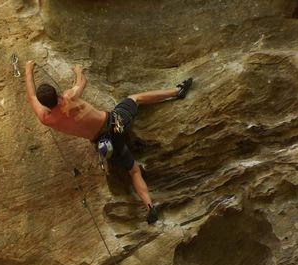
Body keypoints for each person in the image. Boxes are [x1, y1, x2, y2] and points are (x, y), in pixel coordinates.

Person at [24, 60, 192, 224]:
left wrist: (27, 70)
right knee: (135, 98)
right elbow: (82, 82)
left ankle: (149, 208)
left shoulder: (46, 118)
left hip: (104, 144)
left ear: (43, 103)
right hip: (115, 124)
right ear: (55, 92)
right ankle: (178, 90)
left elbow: (31, 96)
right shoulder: (70, 97)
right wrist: (78, 71)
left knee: (133, 171)